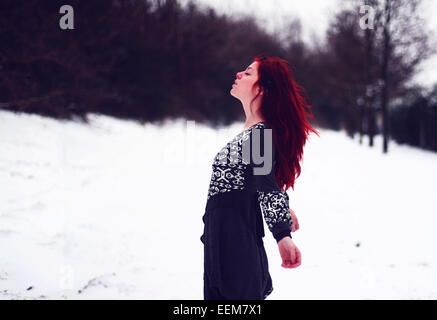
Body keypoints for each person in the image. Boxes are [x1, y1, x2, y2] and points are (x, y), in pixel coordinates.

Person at [200, 53, 319, 300]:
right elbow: (262, 180)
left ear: (262, 89)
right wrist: (284, 206)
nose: (238, 74)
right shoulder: (254, 134)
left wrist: (282, 234)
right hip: (221, 242)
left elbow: (265, 185)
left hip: (234, 243)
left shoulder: (260, 135)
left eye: (248, 72)